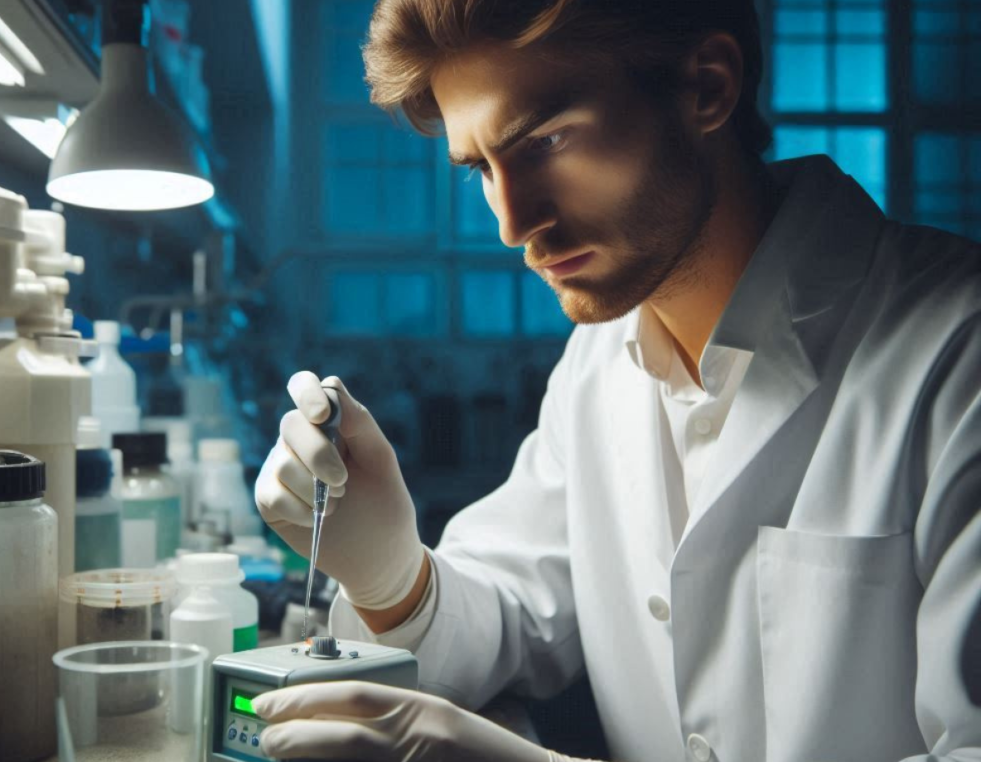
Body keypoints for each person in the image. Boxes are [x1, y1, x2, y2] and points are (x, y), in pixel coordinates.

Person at [254, 1, 981, 760]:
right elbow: (514, 614)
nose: (513, 221)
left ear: (707, 86)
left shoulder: (957, 355)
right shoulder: (601, 358)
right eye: (481, 170)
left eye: (546, 140)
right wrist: (388, 574)